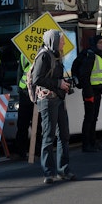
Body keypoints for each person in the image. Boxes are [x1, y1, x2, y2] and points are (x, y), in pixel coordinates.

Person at [31, 29, 75, 184]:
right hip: (47, 101)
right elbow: (37, 79)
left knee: (64, 135)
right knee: (49, 136)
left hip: (59, 99)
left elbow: (54, 76)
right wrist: (58, 83)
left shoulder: (56, 55)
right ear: (53, 41)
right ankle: (48, 173)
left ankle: (64, 170)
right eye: (61, 40)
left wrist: (64, 84)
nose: (63, 42)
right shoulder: (44, 56)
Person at [78, 35, 102, 152]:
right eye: (100, 43)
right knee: (89, 118)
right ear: (95, 44)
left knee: (94, 118)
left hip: (97, 91)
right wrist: (89, 94)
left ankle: (93, 142)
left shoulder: (100, 56)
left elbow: (99, 72)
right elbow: (85, 75)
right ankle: (86, 145)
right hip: (90, 91)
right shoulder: (91, 56)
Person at [14, 52, 35, 158]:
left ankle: (36, 150)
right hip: (25, 92)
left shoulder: (44, 53)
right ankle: (22, 151)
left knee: (37, 123)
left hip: (36, 92)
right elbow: (20, 72)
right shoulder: (23, 54)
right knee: (23, 124)